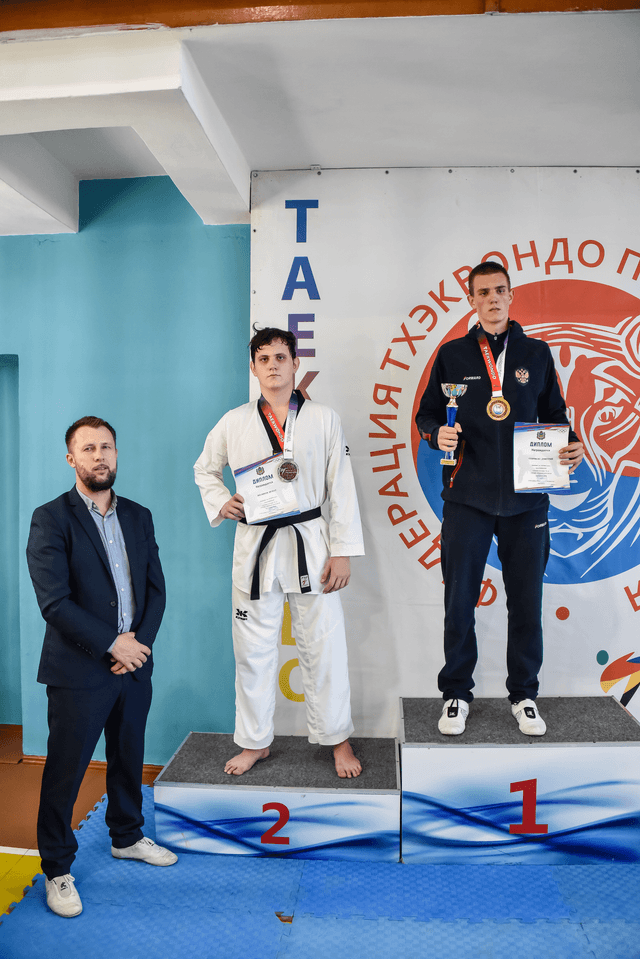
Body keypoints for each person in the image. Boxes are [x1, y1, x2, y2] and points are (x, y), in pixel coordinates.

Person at [415, 263, 584, 737]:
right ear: (471, 300)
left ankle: (524, 695)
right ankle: (455, 693)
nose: (492, 299)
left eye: (500, 291)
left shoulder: (537, 352)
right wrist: (436, 432)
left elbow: (554, 414)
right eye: (483, 292)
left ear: (511, 297)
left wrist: (570, 443)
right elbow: (427, 414)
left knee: (526, 604)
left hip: (526, 500)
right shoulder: (452, 354)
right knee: (459, 602)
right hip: (466, 497)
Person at [194, 328, 364, 778]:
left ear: (295, 364)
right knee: (252, 650)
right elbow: (205, 469)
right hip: (256, 547)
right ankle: (254, 742)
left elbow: (341, 486)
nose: (273, 365)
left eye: (281, 357)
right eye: (264, 358)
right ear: (253, 367)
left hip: (312, 543)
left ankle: (338, 740)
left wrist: (343, 551)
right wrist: (221, 501)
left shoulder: (323, 418)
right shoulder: (234, 421)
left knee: (325, 647)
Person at [26, 416, 176, 919]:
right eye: (88, 448)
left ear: (116, 454)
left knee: (128, 756)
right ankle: (56, 868)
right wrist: (113, 644)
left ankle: (127, 836)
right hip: (79, 670)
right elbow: (55, 602)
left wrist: (138, 647)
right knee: (65, 772)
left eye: (106, 447)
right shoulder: (51, 519)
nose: (99, 456)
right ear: (72, 458)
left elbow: (155, 589)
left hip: (135, 665)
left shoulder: (138, 515)